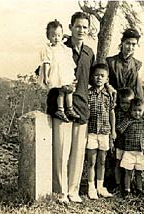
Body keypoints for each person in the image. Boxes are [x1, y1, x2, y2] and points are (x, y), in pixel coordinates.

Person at [47, 12, 95, 204]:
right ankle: (60, 191)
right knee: (61, 150)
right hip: (60, 106)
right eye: (78, 26)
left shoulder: (89, 52)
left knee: (77, 152)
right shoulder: (59, 47)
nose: (81, 30)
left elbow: (93, 78)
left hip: (81, 105)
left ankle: (73, 190)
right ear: (70, 27)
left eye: (85, 27)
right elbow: (45, 74)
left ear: (88, 29)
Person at [39, 19, 80, 122]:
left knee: (69, 90)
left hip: (65, 73)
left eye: (58, 35)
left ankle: (70, 109)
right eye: (53, 36)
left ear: (62, 35)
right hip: (56, 74)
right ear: (48, 37)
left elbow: (69, 63)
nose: (56, 38)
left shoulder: (65, 49)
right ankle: (60, 109)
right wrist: (46, 76)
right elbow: (46, 63)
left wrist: (73, 76)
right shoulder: (48, 49)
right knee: (61, 91)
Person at [86, 63, 116, 199]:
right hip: (91, 131)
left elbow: (111, 113)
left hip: (104, 131)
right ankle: (91, 187)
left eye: (102, 76)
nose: (99, 78)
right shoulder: (88, 93)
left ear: (107, 78)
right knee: (91, 161)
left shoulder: (109, 94)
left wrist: (113, 131)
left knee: (102, 161)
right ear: (92, 77)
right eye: (97, 75)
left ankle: (100, 186)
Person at [117, 98, 144, 196]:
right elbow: (119, 129)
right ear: (131, 110)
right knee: (128, 171)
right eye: (134, 110)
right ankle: (127, 190)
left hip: (140, 151)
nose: (137, 113)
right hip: (129, 151)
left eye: (139, 110)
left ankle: (139, 190)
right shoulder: (127, 120)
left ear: (143, 111)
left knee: (139, 172)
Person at [106, 28, 144, 98]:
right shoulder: (110, 62)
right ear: (122, 43)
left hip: (129, 103)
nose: (130, 47)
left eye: (133, 44)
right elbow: (104, 82)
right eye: (128, 43)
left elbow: (138, 89)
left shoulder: (137, 65)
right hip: (112, 100)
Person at [114, 88, 135, 192]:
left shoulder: (134, 113)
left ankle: (129, 184)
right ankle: (118, 184)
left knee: (129, 166)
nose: (125, 106)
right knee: (118, 163)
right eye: (123, 103)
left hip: (131, 144)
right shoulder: (117, 112)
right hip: (120, 142)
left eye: (128, 103)